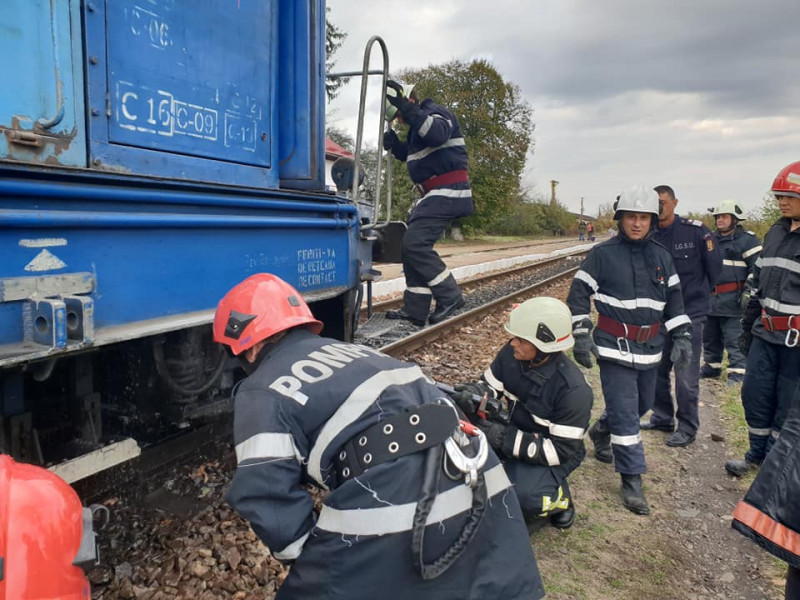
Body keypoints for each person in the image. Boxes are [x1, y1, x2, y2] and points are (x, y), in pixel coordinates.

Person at [214, 273, 545, 599]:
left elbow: (262, 493)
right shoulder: (354, 352)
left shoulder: (260, 391)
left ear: (249, 342)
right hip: (479, 473)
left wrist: (314, 560)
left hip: (396, 493)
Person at [567, 184, 692, 515]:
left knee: (643, 405)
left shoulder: (663, 258)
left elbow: (675, 302)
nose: (637, 224)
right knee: (626, 414)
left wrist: (682, 336)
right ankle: (632, 478)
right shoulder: (602, 255)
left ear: (652, 220)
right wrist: (581, 334)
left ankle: (601, 429)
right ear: (620, 219)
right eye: (631, 217)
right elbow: (578, 293)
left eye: (643, 217)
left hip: (651, 349)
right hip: (613, 348)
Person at [450, 297, 593, 532]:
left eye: (521, 339)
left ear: (543, 346)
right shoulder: (512, 353)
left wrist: (501, 438)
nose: (513, 342)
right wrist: (474, 393)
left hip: (552, 451)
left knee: (524, 496)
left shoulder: (573, 391)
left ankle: (559, 499)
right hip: (516, 430)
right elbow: (490, 386)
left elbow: (560, 450)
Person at [725, 162, 800, 479]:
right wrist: (747, 327)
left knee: (786, 405)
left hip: (794, 344)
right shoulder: (776, 233)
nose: (781, 201)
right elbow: (757, 283)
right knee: (754, 394)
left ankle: (773, 464)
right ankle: (755, 455)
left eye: (789, 196)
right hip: (765, 335)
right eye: (779, 196)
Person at [382, 81, 473, 327]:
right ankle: (416, 309)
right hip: (434, 193)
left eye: (400, 114)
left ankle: (450, 296)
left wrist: (406, 110)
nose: (401, 120)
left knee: (415, 244)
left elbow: (436, 134)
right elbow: (420, 156)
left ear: (410, 100)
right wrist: (396, 147)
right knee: (408, 246)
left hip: (449, 190)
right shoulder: (416, 128)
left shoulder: (437, 113)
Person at [642, 185, 722, 447]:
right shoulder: (647, 233)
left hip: (690, 314)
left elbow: (715, 271)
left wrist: (698, 300)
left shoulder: (695, 232)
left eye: (663, 202)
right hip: (658, 316)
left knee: (686, 376)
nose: (659, 207)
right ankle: (662, 418)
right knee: (656, 369)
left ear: (675, 203)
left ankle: (687, 426)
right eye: (655, 203)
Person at [700, 200, 762, 384]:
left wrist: (749, 291)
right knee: (710, 337)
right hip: (711, 300)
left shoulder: (748, 241)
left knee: (734, 339)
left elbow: (758, 268)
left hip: (734, 301)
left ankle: (737, 373)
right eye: (718, 217)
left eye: (724, 216)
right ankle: (712, 367)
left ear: (735, 219)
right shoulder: (709, 240)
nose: (720, 220)